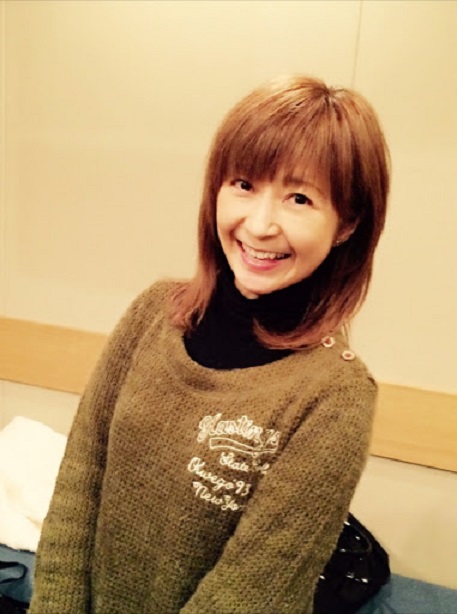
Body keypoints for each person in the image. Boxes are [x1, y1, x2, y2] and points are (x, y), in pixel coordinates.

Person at [29, 75, 390, 614]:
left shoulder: (335, 394)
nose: (259, 225)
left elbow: (253, 590)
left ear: (347, 224)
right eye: (244, 184)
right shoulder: (154, 312)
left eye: (299, 198)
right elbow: (81, 477)